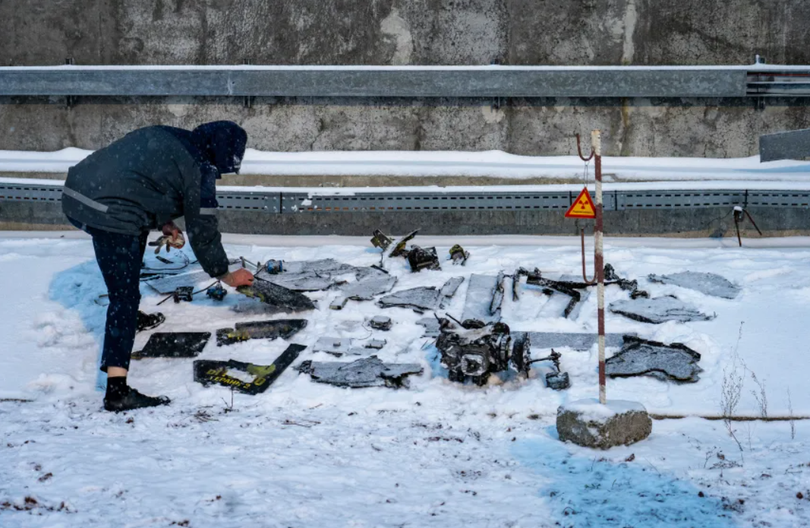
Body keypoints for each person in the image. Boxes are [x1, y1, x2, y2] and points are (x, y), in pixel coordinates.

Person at [62, 121, 255, 412]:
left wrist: (164, 222)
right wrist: (226, 275)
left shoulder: (171, 137)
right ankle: (117, 391)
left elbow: (138, 181)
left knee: (127, 247)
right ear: (219, 152)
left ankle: (126, 322)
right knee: (123, 296)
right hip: (109, 210)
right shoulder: (199, 167)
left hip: (77, 194)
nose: (218, 174)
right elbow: (203, 230)